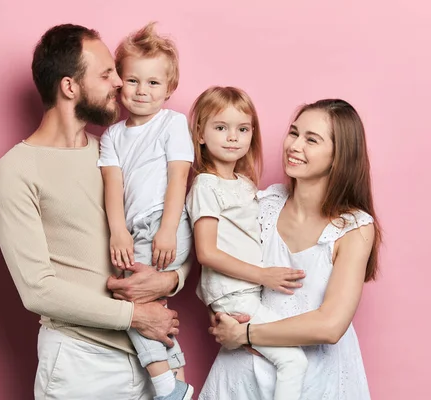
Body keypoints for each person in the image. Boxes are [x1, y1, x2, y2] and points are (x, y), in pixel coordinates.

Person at [0, 24, 191, 400]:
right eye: (105, 74)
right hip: (80, 363)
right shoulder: (17, 169)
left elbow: (166, 226)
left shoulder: (113, 151)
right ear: (70, 87)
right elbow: (38, 290)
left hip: (150, 358)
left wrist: (173, 279)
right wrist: (134, 316)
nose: (119, 82)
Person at [200, 99, 382, 400]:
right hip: (243, 374)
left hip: (318, 379)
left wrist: (242, 334)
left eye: (311, 139)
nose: (294, 145)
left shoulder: (355, 228)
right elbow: (215, 260)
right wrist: (219, 313)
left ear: (340, 156)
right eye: (294, 133)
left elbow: (331, 325)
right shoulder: (263, 204)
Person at [185, 86, 309, 400]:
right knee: (293, 361)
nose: (232, 137)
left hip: (249, 293)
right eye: (220, 128)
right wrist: (263, 275)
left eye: (242, 129)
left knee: (278, 361)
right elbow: (206, 252)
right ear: (200, 134)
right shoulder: (205, 184)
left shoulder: (245, 184)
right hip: (234, 295)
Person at [97, 22, 194, 400]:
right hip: (134, 230)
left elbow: (178, 178)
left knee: (131, 302)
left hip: (165, 225)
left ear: (170, 89)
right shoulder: (112, 136)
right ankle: (179, 385)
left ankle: (166, 387)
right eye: (134, 80)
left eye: (154, 83)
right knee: (149, 307)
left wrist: (168, 229)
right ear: (120, 82)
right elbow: (113, 186)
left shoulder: (172, 123)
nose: (142, 91)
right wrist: (117, 231)